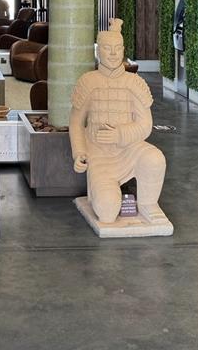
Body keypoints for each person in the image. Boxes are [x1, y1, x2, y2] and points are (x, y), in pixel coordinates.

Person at [70, 18, 166, 223]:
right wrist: (79, 152)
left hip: (130, 150)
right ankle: (103, 195)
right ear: (98, 51)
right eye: (107, 48)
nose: (113, 54)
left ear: (123, 50)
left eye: (118, 48)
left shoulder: (135, 82)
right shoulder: (88, 81)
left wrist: (120, 134)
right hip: (99, 155)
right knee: (107, 212)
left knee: (154, 158)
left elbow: (145, 125)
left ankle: (148, 204)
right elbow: (76, 123)